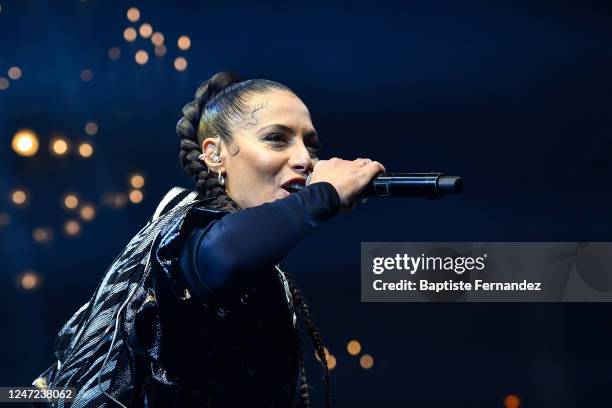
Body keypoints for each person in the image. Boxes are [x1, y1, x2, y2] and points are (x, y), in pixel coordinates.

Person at [33, 71, 385, 408]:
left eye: (310, 144)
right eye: (277, 138)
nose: (305, 159)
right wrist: (325, 193)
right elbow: (224, 254)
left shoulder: (268, 271)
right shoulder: (185, 230)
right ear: (215, 154)